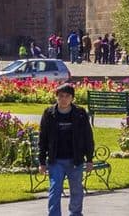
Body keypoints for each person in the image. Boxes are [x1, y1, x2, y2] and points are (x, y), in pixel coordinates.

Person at [37, 83, 94, 216]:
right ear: (56, 97)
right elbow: (43, 138)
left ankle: (75, 213)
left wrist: (89, 159)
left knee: (76, 190)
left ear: (72, 98)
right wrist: (41, 162)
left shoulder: (80, 113)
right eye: (60, 96)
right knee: (55, 189)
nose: (63, 99)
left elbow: (88, 137)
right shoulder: (49, 113)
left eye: (67, 96)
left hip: (75, 160)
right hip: (56, 160)